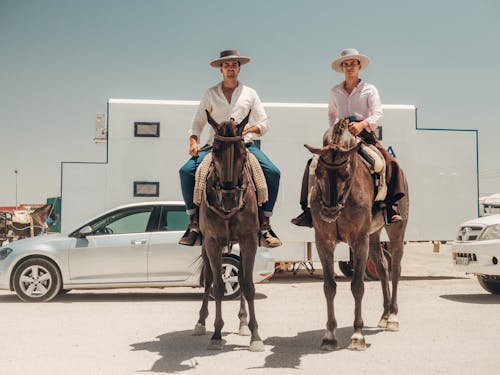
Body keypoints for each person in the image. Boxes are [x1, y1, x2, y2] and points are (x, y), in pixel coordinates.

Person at [179, 49, 282, 247]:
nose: (231, 68)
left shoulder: (250, 93)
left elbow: (264, 122)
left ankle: (265, 224)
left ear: (239, 68)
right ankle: (193, 223)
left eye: (234, 65)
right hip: (215, 147)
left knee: (272, 173)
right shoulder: (210, 93)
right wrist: (193, 141)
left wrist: (252, 128)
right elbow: (198, 121)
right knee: (186, 172)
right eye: (226, 65)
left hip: (244, 145)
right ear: (221, 69)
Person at [292, 48, 405, 227]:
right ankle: (307, 210)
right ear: (342, 68)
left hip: (364, 134)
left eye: (353, 63)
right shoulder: (335, 91)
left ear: (359, 66)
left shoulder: (369, 89)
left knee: (387, 162)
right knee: (313, 164)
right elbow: (332, 114)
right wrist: (337, 127)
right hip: (339, 135)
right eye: (346, 64)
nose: (350, 67)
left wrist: (362, 124)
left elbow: (378, 113)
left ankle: (391, 206)